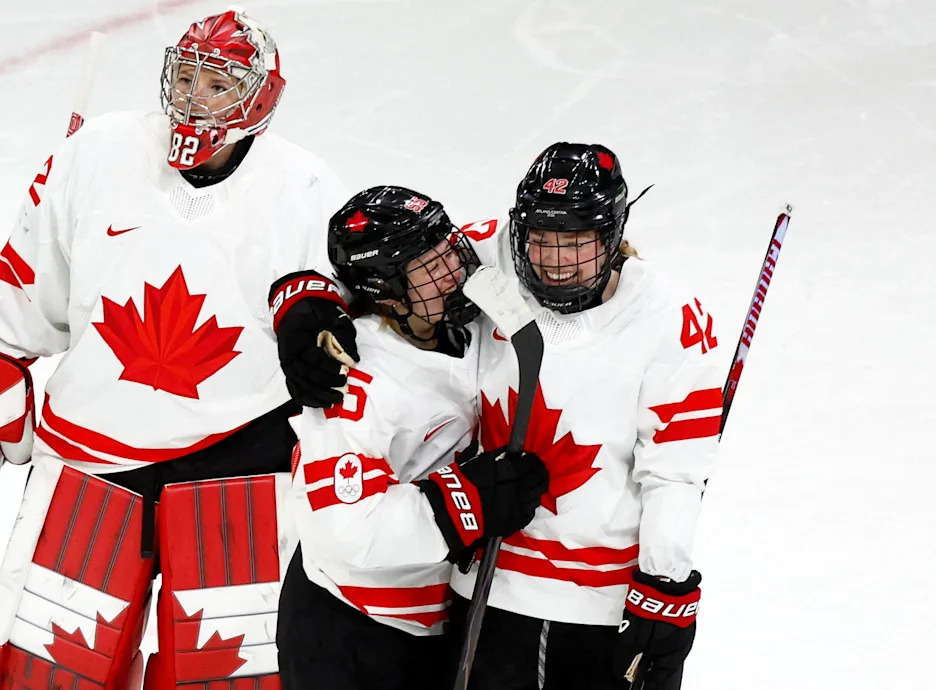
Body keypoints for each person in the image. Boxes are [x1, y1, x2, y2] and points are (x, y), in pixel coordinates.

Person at [0, 9, 353, 687]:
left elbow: (332, 317)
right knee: (51, 670)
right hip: (90, 460)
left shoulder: (306, 189)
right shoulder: (95, 153)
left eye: (218, 86)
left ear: (260, 99)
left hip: (239, 463)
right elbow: (26, 286)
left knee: (223, 677)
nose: (195, 97)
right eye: (186, 77)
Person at [448, 143, 726, 689]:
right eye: (542, 240)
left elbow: (674, 472)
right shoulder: (490, 255)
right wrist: (306, 302)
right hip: (479, 581)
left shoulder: (671, 319)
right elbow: (404, 259)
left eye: (575, 242)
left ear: (613, 234)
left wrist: (664, 584)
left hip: (593, 608)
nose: (553, 260)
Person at [275, 185, 549, 690]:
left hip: (429, 615)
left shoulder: (446, 320)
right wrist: (470, 501)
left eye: (448, 248)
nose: (455, 270)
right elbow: (345, 528)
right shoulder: (355, 379)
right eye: (430, 266)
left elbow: (508, 241)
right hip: (348, 627)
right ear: (385, 290)